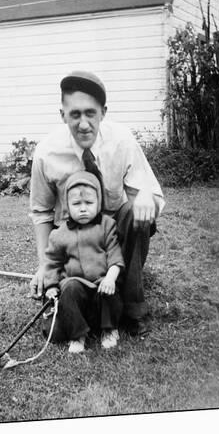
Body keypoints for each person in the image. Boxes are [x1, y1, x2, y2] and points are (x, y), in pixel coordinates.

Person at [29, 70, 165, 335]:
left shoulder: (122, 140)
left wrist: (146, 195)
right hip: (74, 236)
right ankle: (77, 297)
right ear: (62, 115)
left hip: (115, 233)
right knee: (64, 306)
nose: (83, 124)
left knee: (133, 210)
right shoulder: (46, 152)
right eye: (75, 114)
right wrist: (45, 266)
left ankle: (131, 308)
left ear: (103, 112)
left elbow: (152, 195)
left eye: (90, 113)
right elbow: (42, 213)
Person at [43, 171, 124, 353]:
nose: (83, 208)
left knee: (109, 292)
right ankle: (78, 335)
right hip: (76, 288)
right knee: (70, 289)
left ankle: (109, 329)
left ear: (99, 202)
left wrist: (110, 278)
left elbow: (115, 256)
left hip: (101, 284)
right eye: (76, 204)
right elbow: (52, 262)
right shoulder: (59, 234)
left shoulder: (107, 226)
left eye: (89, 203)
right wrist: (51, 286)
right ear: (67, 206)